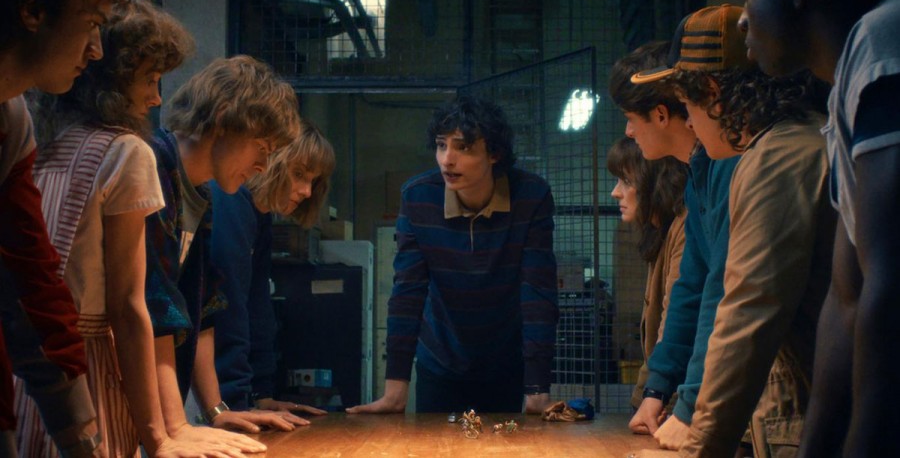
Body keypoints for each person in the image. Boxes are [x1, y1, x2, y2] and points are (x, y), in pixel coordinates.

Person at [15, 0, 257, 458]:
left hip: (27, 369)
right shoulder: (128, 152)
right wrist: (162, 436)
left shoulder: (37, 138)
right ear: (110, 77)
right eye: (149, 79)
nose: (156, 98)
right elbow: (130, 306)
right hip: (88, 369)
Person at [650, 6, 835, 456]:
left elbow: (748, 311)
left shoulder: (776, 157)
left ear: (714, 94)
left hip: (812, 406)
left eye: (688, 107)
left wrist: (700, 444)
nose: (690, 124)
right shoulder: (803, 137)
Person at [736, 0, 900, 456]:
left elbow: (890, 285)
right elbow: (846, 295)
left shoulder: (882, 40)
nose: (742, 17)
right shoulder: (845, 85)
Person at [0, 0, 149, 455]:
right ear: (32, 9)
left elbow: (31, 276)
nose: (97, 49)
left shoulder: (13, 120)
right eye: (91, 23)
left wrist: (80, 437)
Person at [346, 95, 558, 414]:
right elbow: (407, 292)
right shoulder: (418, 197)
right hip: (440, 362)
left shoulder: (531, 196)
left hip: (505, 361)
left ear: (495, 153)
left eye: (463, 147)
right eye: (441, 145)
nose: (447, 160)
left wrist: (537, 388)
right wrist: (395, 390)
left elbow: (538, 294)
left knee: (504, 441)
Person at [144, 56, 303, 449]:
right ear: (223, 120)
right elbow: (152, 311)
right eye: (261, 148)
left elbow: (203, 308)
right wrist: (174, 427)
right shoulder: (152, 167)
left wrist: (216, 409)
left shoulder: (202, 193)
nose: (264, 165)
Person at [610, 35, 739, 449]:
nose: (628, 131)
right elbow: (692, 289)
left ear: (663, 113)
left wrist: (688, 407)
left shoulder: (729, 166)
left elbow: (721, 295)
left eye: (631, 118)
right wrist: (656, 390)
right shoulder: (701, 171)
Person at [212, 121, 335, 420]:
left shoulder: (260, 218)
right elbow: (226, 309)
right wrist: (236, 403)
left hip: (229, 391)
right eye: (299, 174)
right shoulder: (230, 201)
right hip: (207, 392)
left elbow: (257, 307)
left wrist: (261, 395)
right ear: (271, 160)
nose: (306, 192)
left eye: (313, 181)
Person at [606, 137, 687, 411]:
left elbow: (674, 323)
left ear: (654, 183)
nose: (615, 192)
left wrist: (652, 396)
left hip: (676, 399)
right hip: (665, 396)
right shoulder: (659, 232)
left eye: (626, 181)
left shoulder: (682, 229)